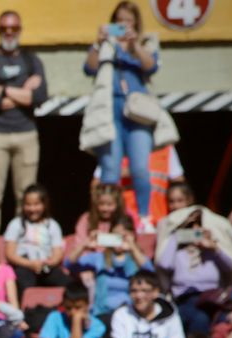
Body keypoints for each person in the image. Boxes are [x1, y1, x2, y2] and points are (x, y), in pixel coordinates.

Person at [81, 2, 176, 224]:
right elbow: (89, 68)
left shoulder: (145, 42)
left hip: (137, 113)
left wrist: (134, 45)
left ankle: (143, 217)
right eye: (119, 21)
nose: (123, 25)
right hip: (109, 110)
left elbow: (151, 66)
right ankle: (107, 219)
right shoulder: (105, 45)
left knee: (140, 168)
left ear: (135, 23)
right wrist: (99, 42)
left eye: (128, 21)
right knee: (110, 171)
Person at [0, 11, 48, 225]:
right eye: (5, 29)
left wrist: (3, 91)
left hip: (26, 134)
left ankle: (23, 240)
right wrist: (22, 92)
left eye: (14, 28)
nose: (9, 33)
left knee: (26, 196)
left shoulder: (31, 60)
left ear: (20, 30)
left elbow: (40, 97)